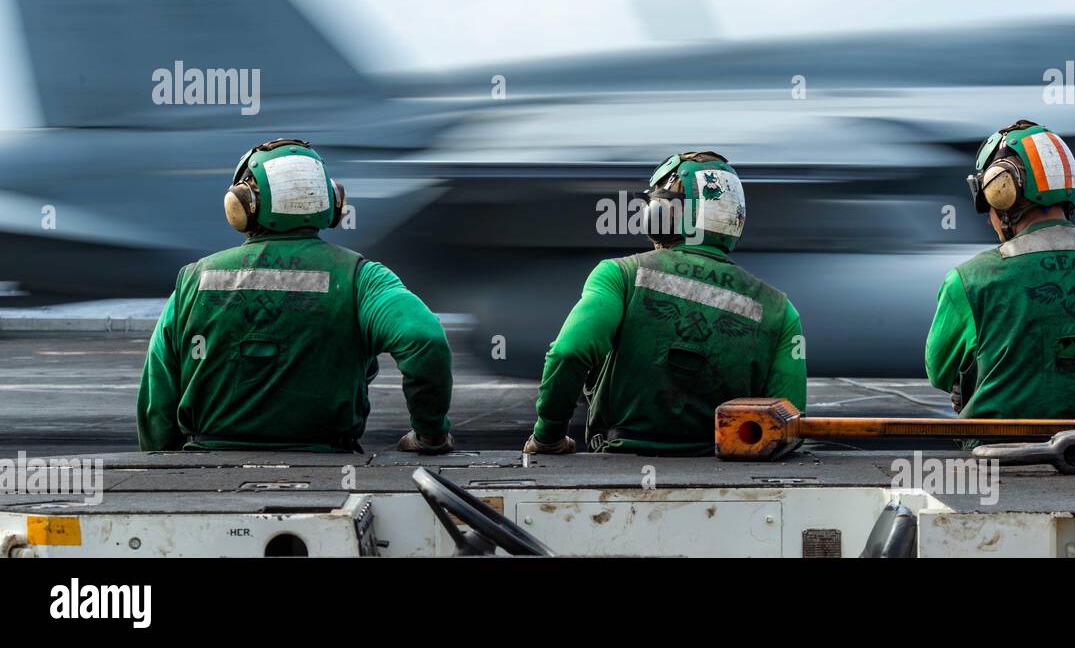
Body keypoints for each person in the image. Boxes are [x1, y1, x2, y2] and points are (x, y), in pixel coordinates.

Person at [136, 138, 455, 453]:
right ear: (332, 202)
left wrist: (163, 462)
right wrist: (430, 433)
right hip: (328, 467)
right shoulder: (362, 278)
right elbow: (425, 339)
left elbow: (157, 400)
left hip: (204, 464)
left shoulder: (194, 279)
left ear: (241, 205)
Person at [523, 151, 807, 455]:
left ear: (662, 214)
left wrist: (548, 437)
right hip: (721, 470)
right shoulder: (780, 311)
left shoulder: (620, 275)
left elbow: (570, 352)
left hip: (621, 463)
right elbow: (789, 424)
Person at [925, 120, 1075, 419]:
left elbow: (940, 372)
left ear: (1002, 192)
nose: (989, 219)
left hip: (995, 453)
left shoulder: (969, 280)